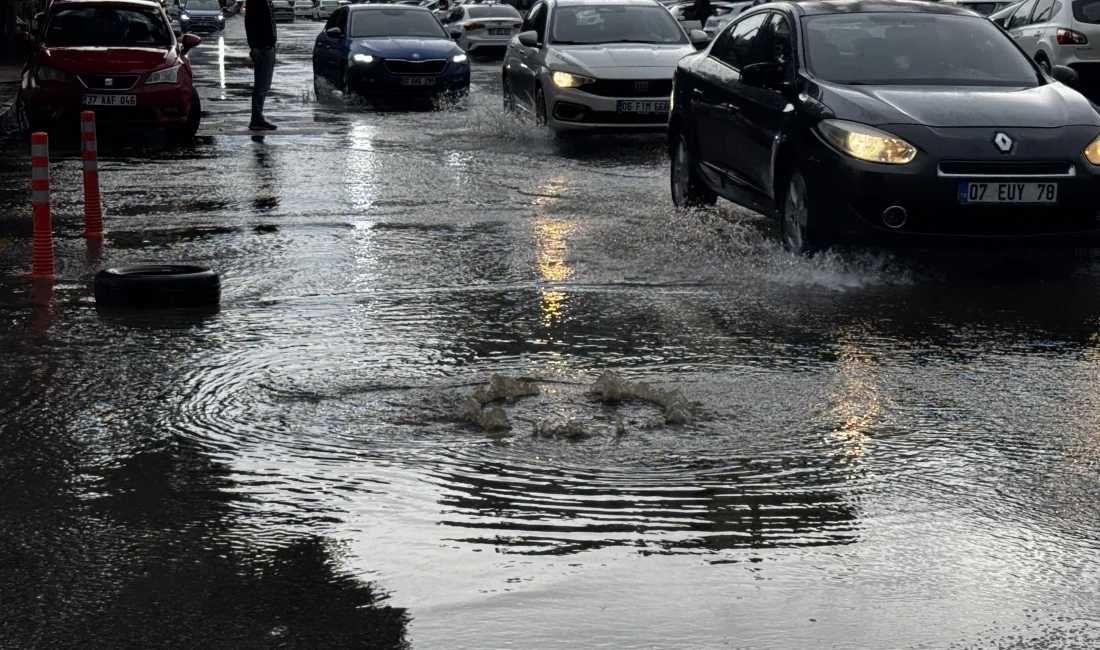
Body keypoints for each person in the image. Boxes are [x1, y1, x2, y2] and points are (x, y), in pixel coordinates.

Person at [245, 0, 277, 130]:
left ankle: (258, 117)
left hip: (269, 46)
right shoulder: (255, 2)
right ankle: (257, 119)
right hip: (262, 47)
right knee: (261, 84)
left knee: (265, 84)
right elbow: (250, 23)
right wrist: (254, 46)